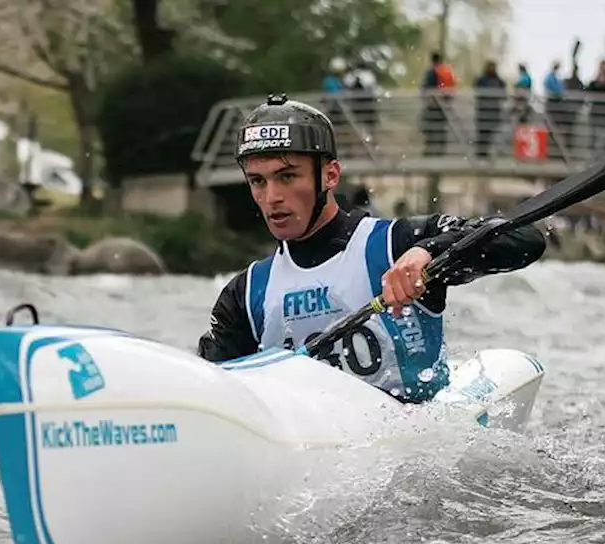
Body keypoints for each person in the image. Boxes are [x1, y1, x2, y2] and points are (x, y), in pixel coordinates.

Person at [196, 93, 547, 403]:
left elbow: (525, 239)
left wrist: (429, 252)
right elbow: (215, 396)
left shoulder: (395, 243)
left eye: (287, 176)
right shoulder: (245, 294)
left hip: (413, 442)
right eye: (258, 181)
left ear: (330, 176)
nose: (271, 197)